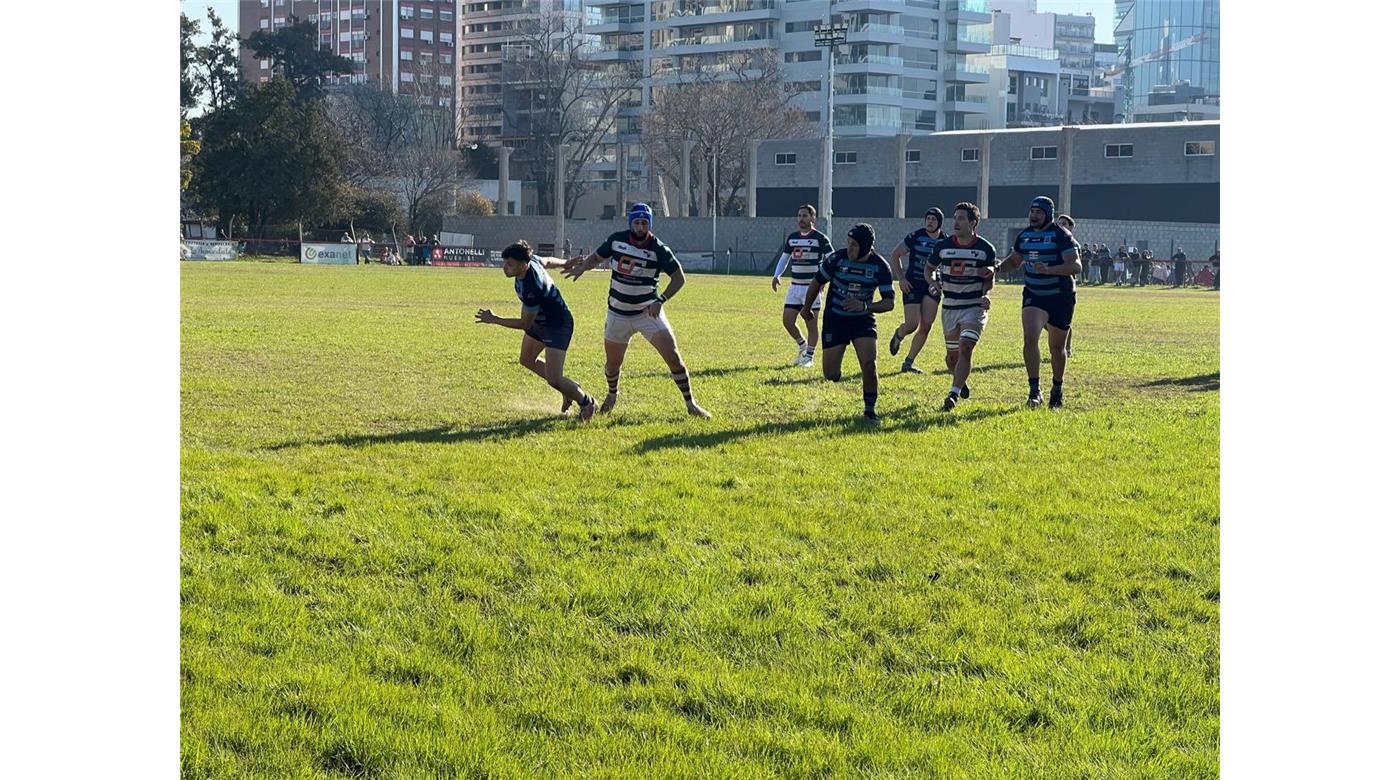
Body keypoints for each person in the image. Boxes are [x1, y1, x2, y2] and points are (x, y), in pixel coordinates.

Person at [563, 202, 711, 418]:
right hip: (617, 314)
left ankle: (691, 404)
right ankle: (613, 394)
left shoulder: (659, 249)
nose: (640, 227)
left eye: (644, 223)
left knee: (674, 357)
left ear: (649, 224)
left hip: (647, 313)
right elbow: (597, 256)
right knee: (613, 365)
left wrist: (661, 299)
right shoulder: (616, 240)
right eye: (637, 222)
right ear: (631, 223)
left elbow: (679, 278)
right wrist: (583, 266)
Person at [476, 241, 597, 421]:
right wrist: (565, 263)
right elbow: (546, 260)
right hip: (541, 322)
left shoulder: (532, 288)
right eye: (505, 263)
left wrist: (495, 319)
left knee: (554, 378)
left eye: (509, 265)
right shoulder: (531, 261)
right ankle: (568, 389)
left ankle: (587, 402)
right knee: (526, 360)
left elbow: (525, 323)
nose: (505, 268)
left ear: (523, 265)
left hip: (557, 325)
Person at [799, 223, 896, 422]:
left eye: (854, 245)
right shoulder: (838, 258)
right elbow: (817, 282)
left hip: (863, 320)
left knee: (869, 364)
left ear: (866, 247)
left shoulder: (880, 267)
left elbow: (889, 303)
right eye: (848, 243)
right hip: (836, 319)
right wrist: (806, 308)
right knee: (830, 373)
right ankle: (835, 370)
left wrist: (864, 306)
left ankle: (870, 410)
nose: (849, 248)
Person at [997, 196, 1081, 408]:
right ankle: (1035, 390)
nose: (1034, 216)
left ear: (1048, 215)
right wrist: (996, 268)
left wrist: (1050, 270)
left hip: (1060, 296)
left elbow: (1075, 266)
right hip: (1034, 295)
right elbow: (1015, 261)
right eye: (1032, 211)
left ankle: (1057, 388)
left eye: (1039, 213)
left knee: (1056, 348)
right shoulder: (1024, 236)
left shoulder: (1061, 235)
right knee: (1030, 338)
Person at [925, 202, 997, 411]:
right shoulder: (942, 246)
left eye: (961, 218)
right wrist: (933, 283)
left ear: (973, 223)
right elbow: (928, 270)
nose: (956, 222)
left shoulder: (985, 249)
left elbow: (989, 278)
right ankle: (960, 380)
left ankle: (952, 395)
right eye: (955, 217)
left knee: (966, 346)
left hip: (973, 307)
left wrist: (986, 294)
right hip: (949, 307)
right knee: (952, 358)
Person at [769, 204, 833, 367]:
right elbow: (784, 259)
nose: (801, 219)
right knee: (787, 320)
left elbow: (832, 259)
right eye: (799, 216)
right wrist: (777, 275)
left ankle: (809, 357)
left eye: (805, 215)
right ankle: (803, 346)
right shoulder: (792, 238)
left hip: (812, 288)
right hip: (795, 286)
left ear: (813, 218)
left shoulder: (820, 238)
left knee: (811, 324)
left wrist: (823, 279)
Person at [888, 207, 946, 374]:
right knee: (912, 324)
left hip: (932, 286)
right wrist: (901, 279)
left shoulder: (945, 241)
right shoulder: (916, 236)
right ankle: (899, 334)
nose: (929, 221)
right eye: (927, 218)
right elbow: (895, 254)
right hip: (912, 284)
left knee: (926, 325)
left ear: (939, 223)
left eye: (933, 219)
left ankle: (908, 362)